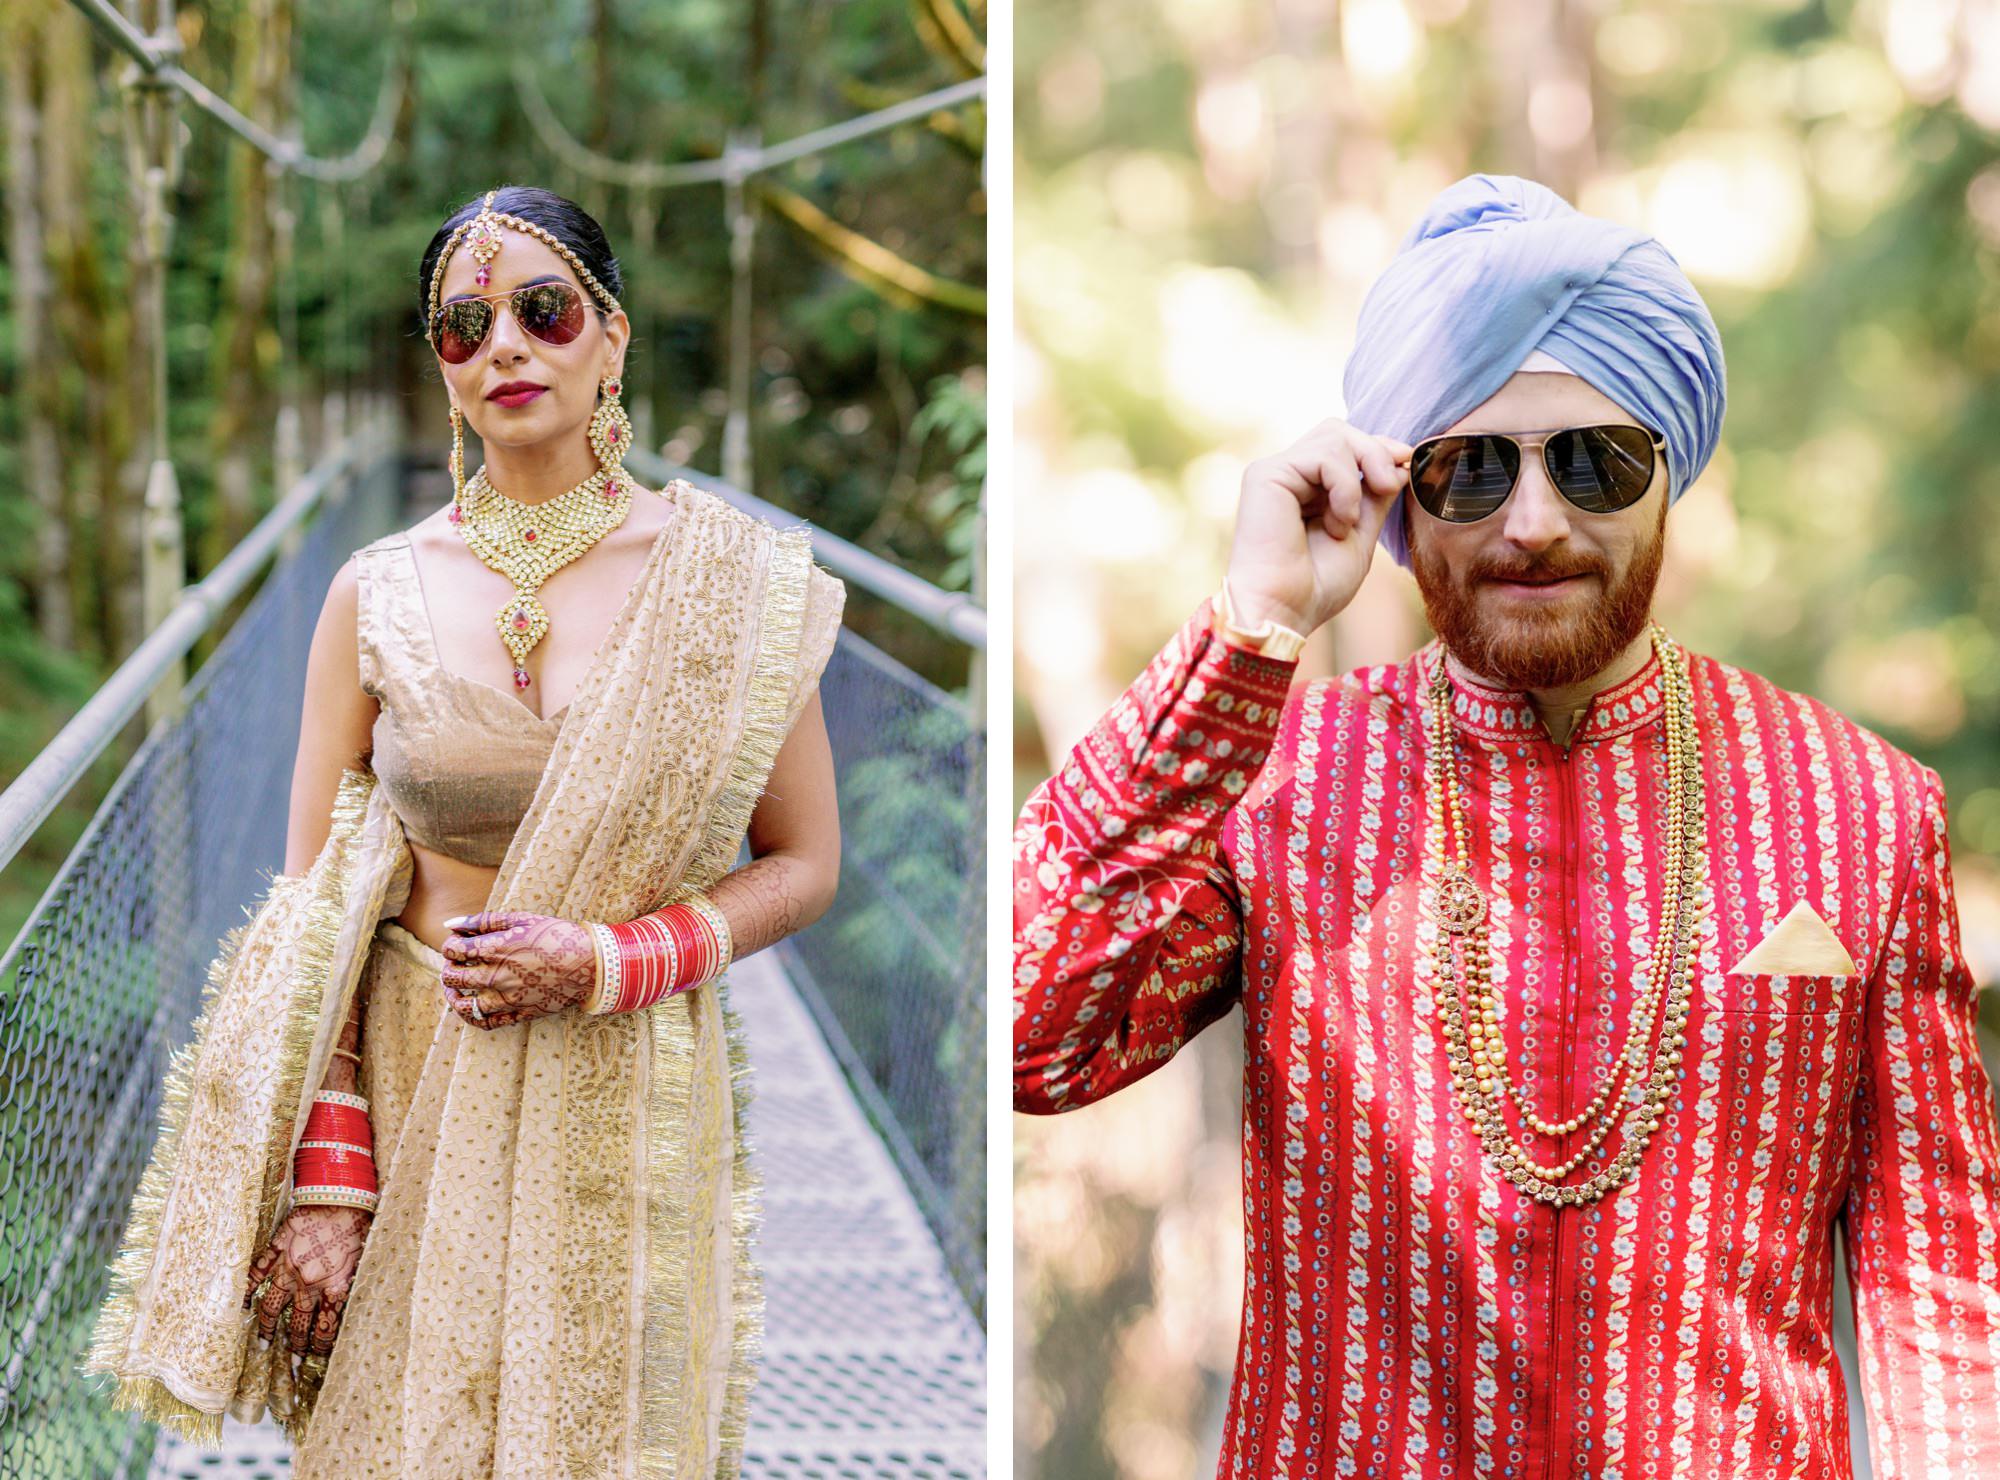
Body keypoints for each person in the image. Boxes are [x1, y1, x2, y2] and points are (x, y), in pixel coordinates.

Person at [1013, 173, 2000, 1477]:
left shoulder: (1861, 807)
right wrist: (1249, 631)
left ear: (1672, 473)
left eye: (1596, 461)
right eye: (1472, 470)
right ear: (1402, 497)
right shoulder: (1280, 780)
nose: (1536, 522)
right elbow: (1034, 1036)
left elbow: (1941, 1307)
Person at [85, 185, 846, 1477]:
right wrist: (331, 1174)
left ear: (611, 338)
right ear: (440, 368)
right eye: (463, 324)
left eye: (544, 310)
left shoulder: (734, 590)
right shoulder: (372, 589)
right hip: (407, 1059)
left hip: (622, 1076)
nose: (506, 345)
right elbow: (314, 908)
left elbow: (808, 863)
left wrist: (609, 962)